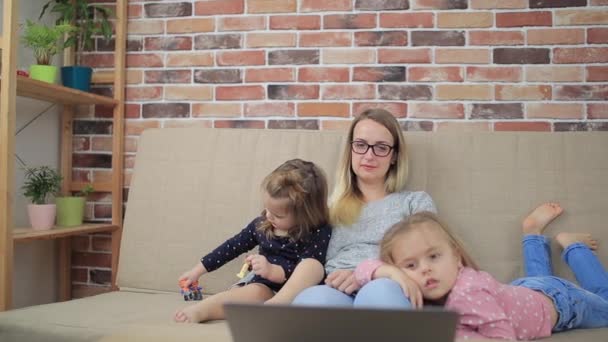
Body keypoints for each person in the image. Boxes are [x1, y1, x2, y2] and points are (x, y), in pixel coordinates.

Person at [356, 205, 608, 340]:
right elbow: (362, 269)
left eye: (434, 256)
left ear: (456, 256)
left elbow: (504, 338)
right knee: (537, 279)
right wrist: (390, 273)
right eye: (410, 265)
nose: (425, 269)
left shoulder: (467, 293)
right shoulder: (416, 285)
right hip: (526, 290)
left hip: (564, 304)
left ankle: (574, 247)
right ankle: (532, 233)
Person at [292, 108, 436, 309]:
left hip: (387, 283)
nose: (369, 156)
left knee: (379, 295)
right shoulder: (328, 208)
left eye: (381, 147)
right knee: (310, 302)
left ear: (394, 156)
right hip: (336, 288)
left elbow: (428, 258)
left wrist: (371, 273)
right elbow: (292, 252)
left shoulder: (415, 202)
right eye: (360, 145)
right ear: (350, 149)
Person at [174, 159, 332, 323]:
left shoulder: (318, 231)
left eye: (278, 215)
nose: (269, 216)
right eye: (267, 209)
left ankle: (278, 304)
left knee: (312, 266)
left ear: (305, 215)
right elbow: (231, 247)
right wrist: (197, 271)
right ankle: (203, 310)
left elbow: (310, 271)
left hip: (297, 291)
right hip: (264, 289)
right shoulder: (262, 225)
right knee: (253, 292)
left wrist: (273, 271)